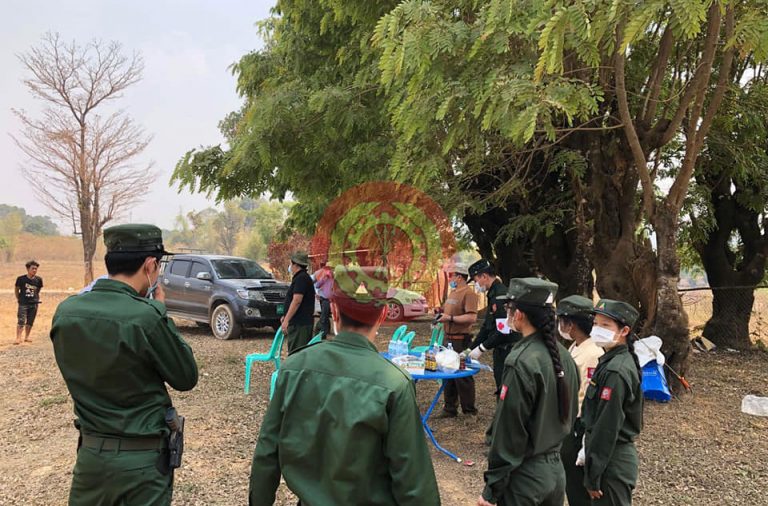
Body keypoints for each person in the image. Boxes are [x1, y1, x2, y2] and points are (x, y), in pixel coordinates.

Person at [249, 265, 440, 505]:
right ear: (383, 314)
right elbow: (414, 484)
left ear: (334, 311)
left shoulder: (293, 368)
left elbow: (267, 454)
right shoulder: (394, 384)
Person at [51, 224, 199, 506]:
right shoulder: (146, 318)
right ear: (150, 265)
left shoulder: (66, 312)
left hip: (91, 456)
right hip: (142, 463)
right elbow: (186, 377)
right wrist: (161, 313)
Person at [478, 278, 579, 506]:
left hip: (524, 476)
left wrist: (492, 489)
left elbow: (509, 432)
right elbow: (570, 412)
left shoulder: (521, 361)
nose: (507, 314)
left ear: (519, 314)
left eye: (509, 308)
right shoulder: (564, 356)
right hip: (555, 472)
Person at [581, 299, 643, 505]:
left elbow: (607, 426)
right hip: (607, 457)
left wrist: (593, 475)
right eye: (595, 324)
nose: (597, 329)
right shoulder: (609, 360)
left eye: (605, 325)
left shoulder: (616, 371)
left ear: (624, 331)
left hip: (611, 461)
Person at [556, 295, 603, 506]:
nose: (559, 326)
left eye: (561, 321)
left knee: (577, 486)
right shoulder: (576, 346)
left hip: (578, 425)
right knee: (571, 481)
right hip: (568, 421)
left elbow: (586, 395)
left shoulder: (592, 353)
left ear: (571, 324)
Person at [467, 259, 521, 394]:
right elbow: (487, 327)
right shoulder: (493, 294)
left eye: (476, 280)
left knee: (506, 389)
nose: (476, 284)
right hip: (500, 350)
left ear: (484, 276)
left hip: (508, 350)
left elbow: (503, 330)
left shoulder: (500, 296)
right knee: (500, 385)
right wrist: (470, 348)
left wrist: (481, 348)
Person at [436, 263, 478, 417]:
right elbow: (449, 312)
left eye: (451, 276)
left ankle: (469, 411)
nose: (450, 279)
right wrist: (440, 314)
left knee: (462, 375)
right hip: (448, 339)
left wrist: (450, 318)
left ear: (459, 277)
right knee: (447, 372)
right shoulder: (453, 293)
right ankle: (450, 408)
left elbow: (472, 317)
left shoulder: (469, 294)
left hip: (461, 340)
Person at [282, 251, 316, 353]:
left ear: (296, 264)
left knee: (297, 353)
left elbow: (297, 300)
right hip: (298, 323)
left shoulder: (301, 278)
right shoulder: (301, 278)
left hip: (300, 324)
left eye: (291, 264)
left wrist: (287, 320)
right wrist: (286, 315)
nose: (290, 266)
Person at [15, 260, 42, 344]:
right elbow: (17, 289)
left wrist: (35, 298)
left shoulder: (39, 280)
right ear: (27, 269)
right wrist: (19, 298)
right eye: (32, 268)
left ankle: (27, 337)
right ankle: (18, 338)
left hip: (34, 303)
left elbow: (38, 290)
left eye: (36, 269)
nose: (34, 270)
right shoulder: (21, 279)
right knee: (21, 320)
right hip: (23, 303)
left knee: (30, 321)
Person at [312, 260, 333, 338]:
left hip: (330, 300)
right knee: (324, 316)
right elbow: (316, 285)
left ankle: (324, 332)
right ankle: (320, 333)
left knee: (325, 316)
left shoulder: (334, 278)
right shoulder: (323, 276)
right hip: (325, 299)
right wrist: (324, 279)